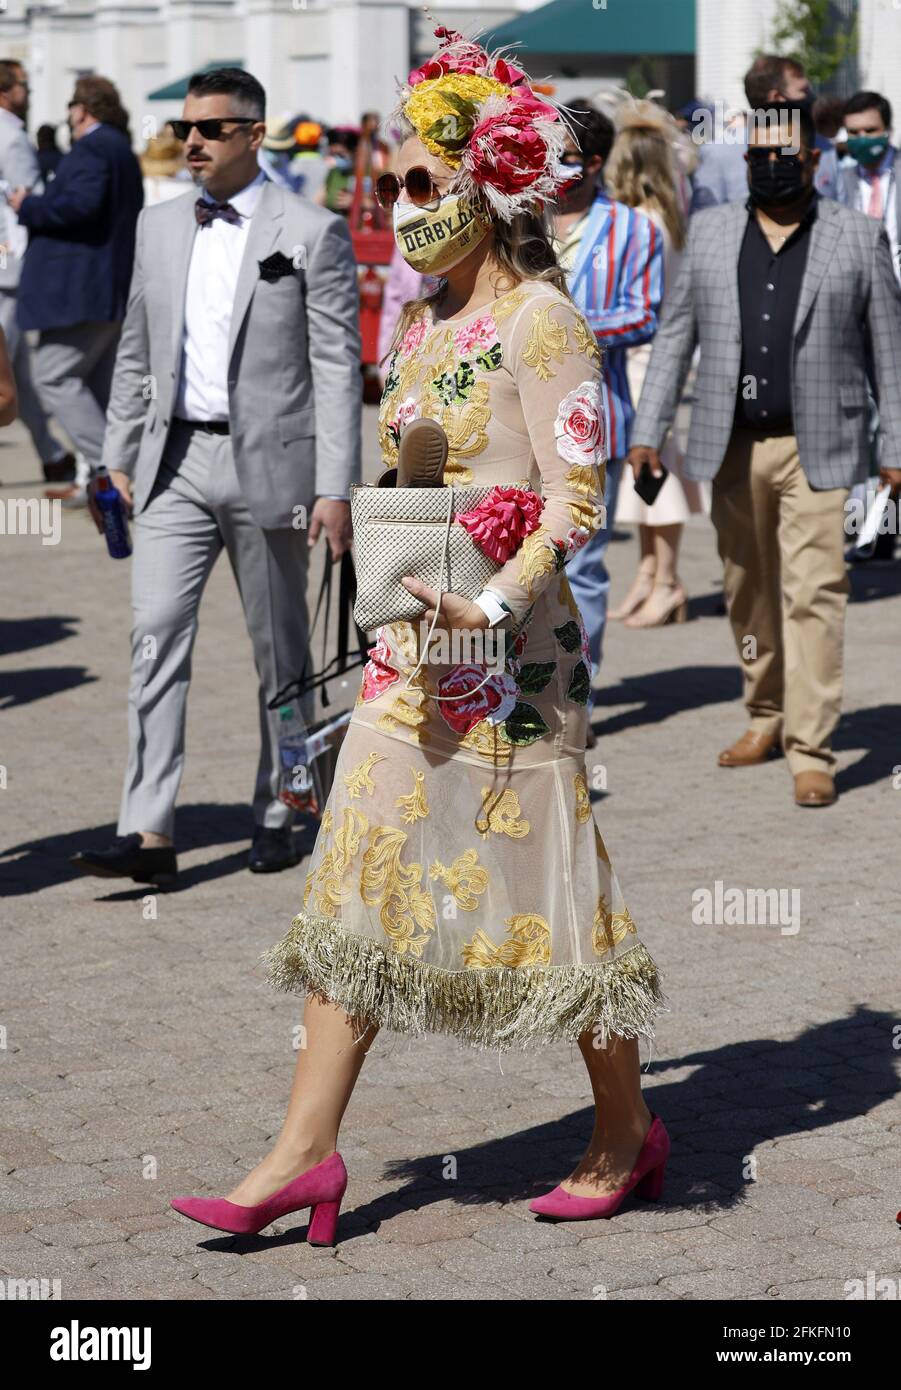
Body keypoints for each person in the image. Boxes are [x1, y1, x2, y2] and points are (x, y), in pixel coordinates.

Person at [169, 28, 668, 1243]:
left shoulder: (544, 322)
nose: (395, 207)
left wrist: (492, 605)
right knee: (358, 878)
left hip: (515, 667)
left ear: (487, 190)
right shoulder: (424, 329)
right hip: (409, 660)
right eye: (387, 184)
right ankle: (302, 1153)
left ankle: (625, 1127)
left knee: (548, 897)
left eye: (415, 184)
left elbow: (578, 499)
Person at [69, 66, 361, 884]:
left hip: (270, 465)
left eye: (208, 129)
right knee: (154, 634)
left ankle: (284, 805)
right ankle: (149, 830)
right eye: (182, 130)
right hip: (171, 466)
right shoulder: (157, 227)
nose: (189, 142)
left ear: (252, 134)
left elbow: (337, 369)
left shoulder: (312, 229)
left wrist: (337, 486)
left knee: (281, 654)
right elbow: (133, 356)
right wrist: (114, 462)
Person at [629, 103, 901, 809]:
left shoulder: (857, 237)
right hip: (730, 443)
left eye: (784, 154)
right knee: (747, 588)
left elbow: (889, 356)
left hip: (821, 444)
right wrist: (646, 429)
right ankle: (766, 716)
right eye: (756, 155)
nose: (769, 165)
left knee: (813, 593)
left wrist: (894, 448)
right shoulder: (711, 234)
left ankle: (811, 748)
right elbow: (674, 336)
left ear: (813, 160)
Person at [550, 101, 664, 690]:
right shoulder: (517, 219)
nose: (550, 167)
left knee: (584, 562)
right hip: (515, 418)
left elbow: (645, 315)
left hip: (598, 417)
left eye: (564, 157)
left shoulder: (634, 230)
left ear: (593, 163)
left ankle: (576, 690)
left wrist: (564, 327)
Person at [10, 76, 143, 507]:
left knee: (54, 375)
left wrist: (28, 206)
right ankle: (115, 476)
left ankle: (112, 475)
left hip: (79, 290)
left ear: (82, 110)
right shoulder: (119, 148)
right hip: (104, 288)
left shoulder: (93, 147)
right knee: (101, 390)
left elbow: (80, 206)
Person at [605, 105, 710, 628]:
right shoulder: (663, 216)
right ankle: (650, 572)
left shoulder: (643, 223)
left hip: (649, 354)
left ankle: (667, 579)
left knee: (654, 465)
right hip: (648, 353)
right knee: (645, 467)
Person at [0, 60, 74, 485]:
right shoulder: (10, 135)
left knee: (19, 375)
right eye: (24, 85)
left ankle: (51, 454)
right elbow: (30, 205)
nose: (28, 93)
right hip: (9, 268)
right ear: (7, 90)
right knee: (2, 372)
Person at [690, 54, 847, 211]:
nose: (811, 97)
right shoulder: (719, 153)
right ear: (777, 97)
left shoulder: (824, 147)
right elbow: (704, 221)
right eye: (804, 90)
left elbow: (840, 211)